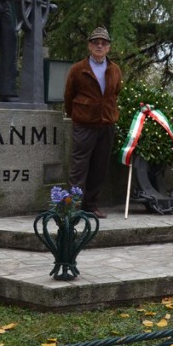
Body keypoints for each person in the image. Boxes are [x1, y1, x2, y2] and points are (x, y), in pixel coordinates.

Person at [64, 27, 123, 219]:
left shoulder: (115, 70)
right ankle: (73, 206)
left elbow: (116, 92)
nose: (99, 46)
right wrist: (78, 115)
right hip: (84, 125)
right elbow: (69, 96)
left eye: (103, 43)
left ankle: (91, 205)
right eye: (96, 43)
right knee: (78, 166)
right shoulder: (78, 69)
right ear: (89, 46)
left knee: (99, 167)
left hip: (106, 124)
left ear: (108, 48)